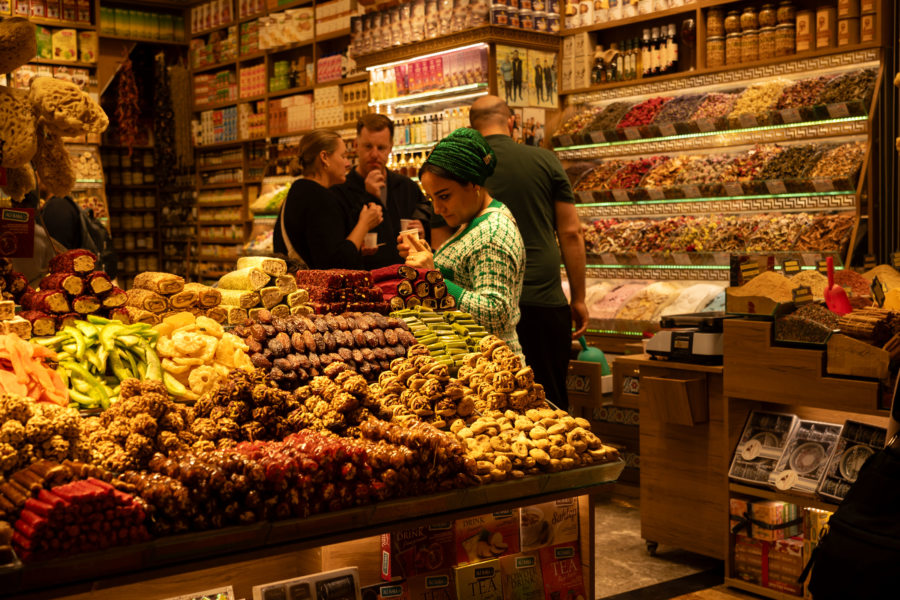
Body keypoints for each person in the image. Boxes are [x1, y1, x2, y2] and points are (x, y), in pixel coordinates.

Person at [434, 96, 587, 410]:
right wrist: (579, 298)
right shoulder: (545, 161)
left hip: (484, 312)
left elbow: (446, 238)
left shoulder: (462, 168)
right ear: (513, 121)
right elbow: (572, 232)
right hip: (544, 303)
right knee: (549, 407)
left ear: (470, 127)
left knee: (502, 407)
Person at [400, 128, 525, 354]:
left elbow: (496, 314)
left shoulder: (493, 233)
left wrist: (434, 278)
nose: (437, 209)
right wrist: (427, 257)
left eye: (444, 196)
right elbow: (464, 275)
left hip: (491, 368)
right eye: (431, 199)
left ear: (473, 184)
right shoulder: (474, 221)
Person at [331, 114, 433, 270]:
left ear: (391, 148)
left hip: (405, 279)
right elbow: (339, 250)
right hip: (364, 282)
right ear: (356, 145)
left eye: (381, 148)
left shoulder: (406, 186)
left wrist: (422, 225)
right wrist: (368, 196)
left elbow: (428, 210)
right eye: (368, 146)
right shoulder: (340, 190)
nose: (374, 154)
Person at [273, 129, 383, 269]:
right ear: (324, 157)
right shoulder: (320, 197)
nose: (347, 163)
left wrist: (356, 247)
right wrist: (364, 224)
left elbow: (318, 250)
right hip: (314, 290)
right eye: (343, 156)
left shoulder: (298, 192)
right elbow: (335, 264)